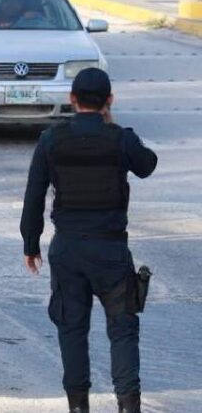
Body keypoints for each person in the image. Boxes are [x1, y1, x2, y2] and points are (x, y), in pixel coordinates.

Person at [20, 67, 158, 413]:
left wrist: (31, 244)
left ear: (71, 99)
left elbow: (34, 194)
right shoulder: (120, 138)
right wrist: (114, 127)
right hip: (110, 249)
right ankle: (128, 407)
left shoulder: (51, 140)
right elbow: (147, 164)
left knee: (71, 329)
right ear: (109, 100)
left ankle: (78, 407)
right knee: (123, 331)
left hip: (68, 250)